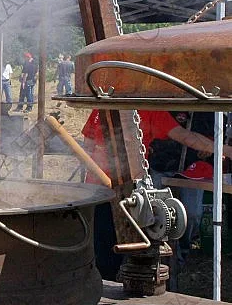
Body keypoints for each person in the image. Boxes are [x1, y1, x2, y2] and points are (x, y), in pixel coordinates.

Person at [82, 109, 232, 280]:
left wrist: (225, 150)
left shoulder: (150, 111)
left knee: (124, 245)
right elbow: (88, 143)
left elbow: (186, 137)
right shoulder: (102, 107)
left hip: (129, 189)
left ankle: (117, 283)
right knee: (99, 243)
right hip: (96, 189)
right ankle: (102, 284)